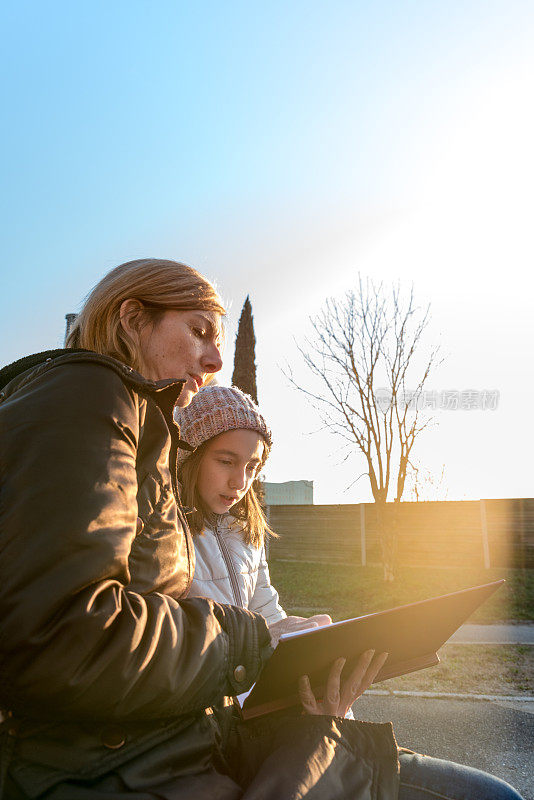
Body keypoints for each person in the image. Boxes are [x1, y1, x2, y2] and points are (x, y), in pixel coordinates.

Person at [0, 258, 398, 800]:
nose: (215, 359)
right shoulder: (88, 396)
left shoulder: (133, 424)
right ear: (133, 319)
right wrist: (247, 643)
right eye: (199, 331)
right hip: (122, 765)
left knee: (348, 752)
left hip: (169, 744)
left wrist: (294, 660)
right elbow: (62, 632)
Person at [176, 384, 526, 800]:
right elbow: (184, 652)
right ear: (191, 456)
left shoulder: (248, 535)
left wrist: (313, 656)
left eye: (253, 465)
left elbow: (269, 616)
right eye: (226, 461)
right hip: (235, 737)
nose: (240, 481)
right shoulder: (167, 538)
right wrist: (265, 647)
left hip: (295, 718)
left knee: (496, 794)